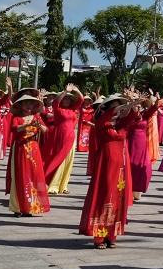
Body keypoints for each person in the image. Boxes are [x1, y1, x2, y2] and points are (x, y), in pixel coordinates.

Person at [79, 94, 135, 248]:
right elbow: (108, 117)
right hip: (106, 165)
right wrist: (120, 107)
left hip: (120, 167)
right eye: (114, 107)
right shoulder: (101, 122)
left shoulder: (120, 124)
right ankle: (99, 236)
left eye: (119, 107)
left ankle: (112, 235)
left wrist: (132, 104)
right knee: (105, 196)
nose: (117, 110)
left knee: (118, 199)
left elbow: (133, 117)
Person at [6, 94, 51, 217]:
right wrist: (27, 125)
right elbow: (14, 129)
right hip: (20, 148)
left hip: (34, 149)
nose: (28, 105)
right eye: (26, 103)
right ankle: (18, 207)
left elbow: (46, 130)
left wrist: (39, 125)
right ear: (20, 105)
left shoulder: (36, 116)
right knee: (21, 177)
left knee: (35, 176)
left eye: (31, 103)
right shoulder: (17, 117)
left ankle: (32, 206)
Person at [42, 85, 84, 195]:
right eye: (65, 98)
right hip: (60, 136)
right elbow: (56, 101)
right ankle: (53, 185)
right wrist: (65, 92)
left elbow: (81, 99)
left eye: (68, 99)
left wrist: (77, 90)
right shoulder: (58, 109)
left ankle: (63, 185)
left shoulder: (73, 109)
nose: (66, 100)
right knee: (59, 159)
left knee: (68, 162)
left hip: (71, 137)